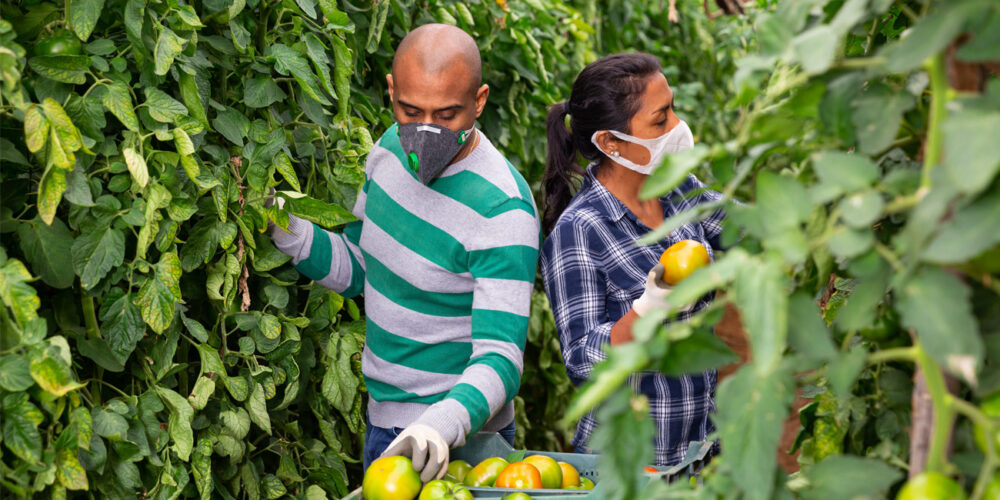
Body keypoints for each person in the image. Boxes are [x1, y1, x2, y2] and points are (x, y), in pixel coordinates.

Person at [269, 24, 540, 482]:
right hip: (383, 425)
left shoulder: (503, 209)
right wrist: (285, 227)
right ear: (391, 92)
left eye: (448, 114)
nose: (425, 132)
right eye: (410, 111)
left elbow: (501, 357)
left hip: (465, 442)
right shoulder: (388, 151)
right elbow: (362, 267)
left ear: (480, 101)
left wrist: (439, 424)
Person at [540, 53, 725, 466]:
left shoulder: (676, 189)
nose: (676, 126)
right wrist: (650, 308)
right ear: (610, 142)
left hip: (699, 455)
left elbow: (741, 225)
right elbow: (583, 359)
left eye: (673, 108)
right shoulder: (581, 231)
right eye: (660, 121)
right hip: (632, 468)